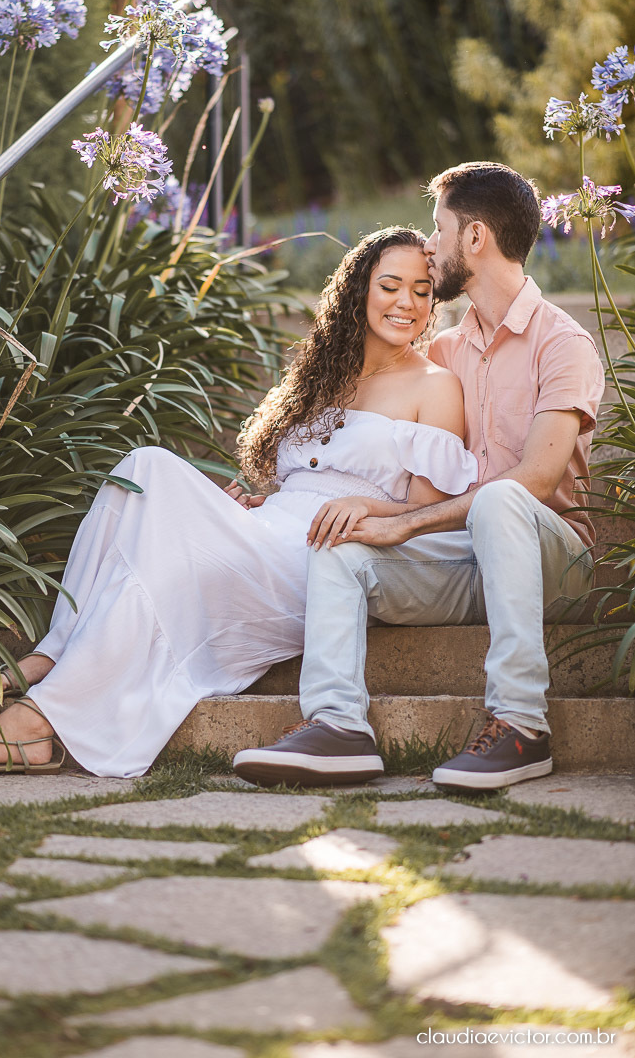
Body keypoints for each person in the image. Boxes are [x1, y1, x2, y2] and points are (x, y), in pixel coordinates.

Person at [0, 226, 478, 777]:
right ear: (358, 291)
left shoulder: (434, 386)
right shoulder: (323, 377)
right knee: (143, 469)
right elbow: (301, 483)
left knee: (158, 559)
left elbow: (421, 518)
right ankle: (56, 662)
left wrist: (366, 507)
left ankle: (36, 714)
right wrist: (256, 504)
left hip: (328, 553)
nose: (406, 302)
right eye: (390, 285)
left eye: (422, 291)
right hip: (271, 528)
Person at [233, 161, 605, 793]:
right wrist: (286, 498)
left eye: (439, 230)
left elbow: (537, 481)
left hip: (553, 559)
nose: (429, 249)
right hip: (463, 562)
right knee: (340, 547)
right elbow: (377, 440)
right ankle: (337, 728)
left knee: (500, 503)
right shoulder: (444, 353)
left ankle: (520, 723)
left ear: (476, 238)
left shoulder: (562, 344)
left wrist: (402, 522)